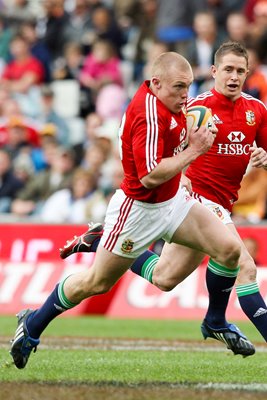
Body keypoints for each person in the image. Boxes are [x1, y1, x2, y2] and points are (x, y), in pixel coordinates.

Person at [10, 51, 254, 370]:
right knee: (96, 283)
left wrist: (183, 173)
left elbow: (171, 151)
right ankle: (32, 325)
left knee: (228, 251)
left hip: (173, 202)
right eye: (179, 87)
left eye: (189, 86)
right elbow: (149, 175)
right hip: (138, 211)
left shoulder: (173, 101)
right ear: (156, 83)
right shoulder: (148, 114)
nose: (186, 95)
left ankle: (216, 321)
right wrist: (194, 151)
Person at [63, 42, 267, 347]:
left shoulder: (257, 111)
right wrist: (182, 175)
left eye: (240, 70)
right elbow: (169, 147)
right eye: (227, 69)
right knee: (244, 266)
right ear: (214, 72)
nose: (233, 76)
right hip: (196, 199)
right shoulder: (196, 107)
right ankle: (215, 321)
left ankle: (103, 240)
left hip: (224, 203)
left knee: (164, 279)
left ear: (248, 73)